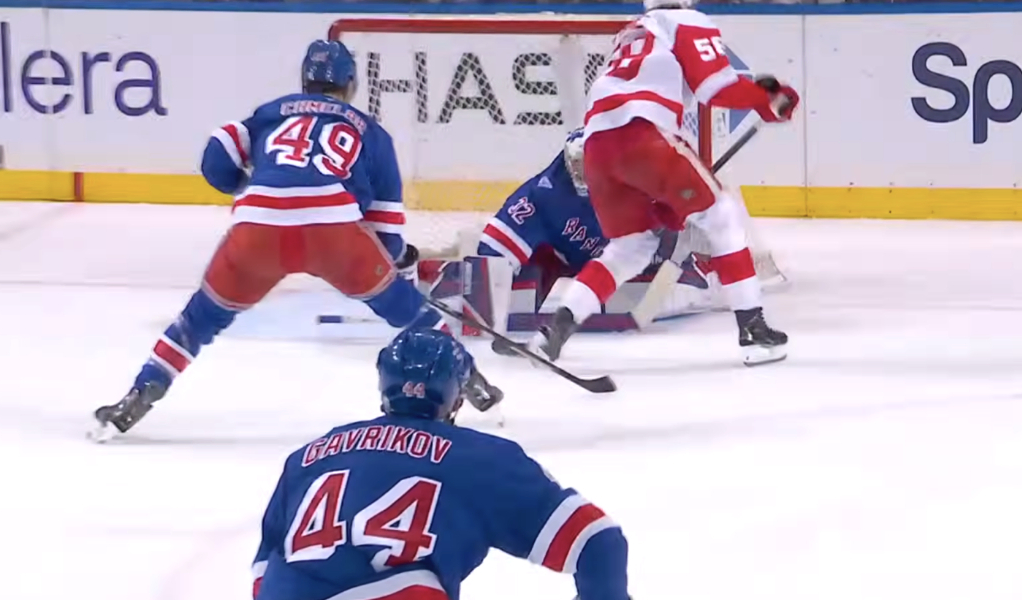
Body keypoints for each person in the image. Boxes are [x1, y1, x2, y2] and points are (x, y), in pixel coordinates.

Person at [89, 40, 501, 442]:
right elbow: (387, 237)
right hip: (332, 228)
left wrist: (243, 185)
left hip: (259, 225)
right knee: (408, 310)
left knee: (198, 320)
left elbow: (217, 155)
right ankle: (470, 379)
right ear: (351, 84)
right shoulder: (372, 133)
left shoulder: (270, 114)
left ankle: (141, 392)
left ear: (304, 80)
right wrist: (395, 265)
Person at [251, 328, 630, 600]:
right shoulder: (481, 460)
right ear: (457, 397)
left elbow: (263, 576)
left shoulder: (308, 456)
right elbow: (597, 541)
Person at [532, 0, 800, 366]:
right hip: (644, 134)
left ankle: (556, 327)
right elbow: (716, 87)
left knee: (631, 247)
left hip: (597, 147)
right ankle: (753, 329)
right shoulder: (685, 20)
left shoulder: (633, 30)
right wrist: (766, 99)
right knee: (721, 215)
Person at [477, 128, 709, 353]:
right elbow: (495, 246)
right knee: (518, 281)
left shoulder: (636, 187)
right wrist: (480, 287)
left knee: (654, 276)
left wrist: (666, 227)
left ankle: (706, 275)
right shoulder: (545, 193)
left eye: (590, 164)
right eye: (578, 164)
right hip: (565, 257)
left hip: (622, 268)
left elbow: (677, 225)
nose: (585, 172)